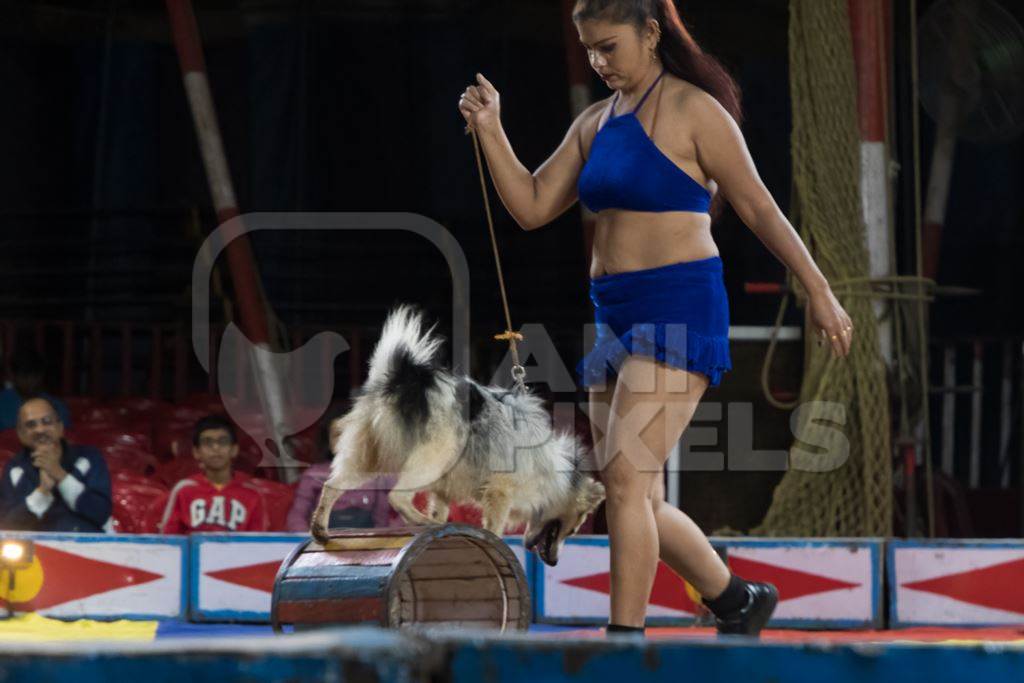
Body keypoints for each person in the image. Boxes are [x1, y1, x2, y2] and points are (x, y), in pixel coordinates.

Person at [458, 0, 853, 637]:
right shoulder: (595, 122)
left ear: (650, 32)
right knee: (636, 492)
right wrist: (491, 129)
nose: (597, 61)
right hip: (613, 314)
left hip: (678, 305)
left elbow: (758, 208)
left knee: (624, 480)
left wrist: (818, 290)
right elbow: (531, 206)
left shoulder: (696, 111)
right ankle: (736, 600)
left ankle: (624, 640)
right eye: (588, 48)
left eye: (609, 47)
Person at [0, 396, 111, 532]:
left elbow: (101, 513)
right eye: (31, 425)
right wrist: (43, 490)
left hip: (87, 549)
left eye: (47, 422)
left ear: (60, 427)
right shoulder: (14, 468)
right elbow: (7, 526)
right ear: (21, 434)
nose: (40, 430)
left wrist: (60, 475)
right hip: (36, 550)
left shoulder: (88, 458)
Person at [158, 415, 267, 534]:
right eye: (207, 443)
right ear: (196, 452)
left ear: (234, 449)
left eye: (223, 442)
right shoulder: (184, 489)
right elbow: (169, 539)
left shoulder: (252, 493)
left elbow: (258, 543)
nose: (216, 448)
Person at [0, 347, 71, 432]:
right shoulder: (2, 402)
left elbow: (64, 439)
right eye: (24, 376)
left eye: (34, 376)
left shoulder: (56, 407)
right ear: (13, 376)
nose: (30, 382)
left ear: (41, 376)